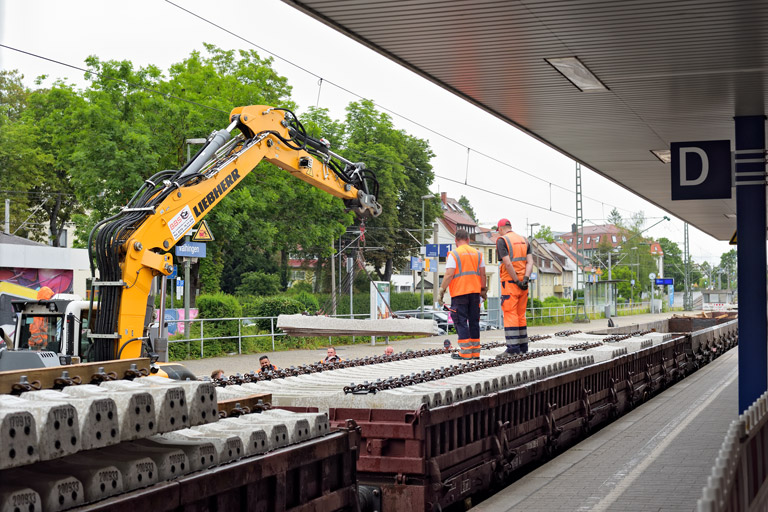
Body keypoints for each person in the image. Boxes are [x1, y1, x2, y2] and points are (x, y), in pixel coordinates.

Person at [438, 229, 486, 360]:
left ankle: (465, 352)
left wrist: (442, 290)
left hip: (460, 293)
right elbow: (483, 274)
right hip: (475, 293)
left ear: (456, 241)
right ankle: (475, 352)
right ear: (468, 240)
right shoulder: (478, 254)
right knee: (474, 321)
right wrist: (483, 290)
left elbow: (449, 274)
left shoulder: (454, 254)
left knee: (461, 321)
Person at [495, 219, 534, 356]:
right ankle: (523, 347)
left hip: (511, 283)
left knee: (510, 314)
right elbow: (530, 262)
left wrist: (516, 280)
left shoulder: (502, 240)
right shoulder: (524, 240)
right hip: (524, 284)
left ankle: (512, 349)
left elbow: (507, 264)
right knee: (520, 315)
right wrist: (525, 279)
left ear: (500, 228)